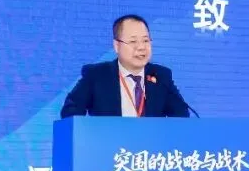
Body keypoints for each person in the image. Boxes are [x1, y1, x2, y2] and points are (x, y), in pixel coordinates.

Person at [60, 14, 191, 118]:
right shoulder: (97, 75)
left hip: (151, 144)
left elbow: (181, 116)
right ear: (117, 46)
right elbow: (70, 111)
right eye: (133, 41)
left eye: (146, 40)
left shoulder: (161, 76)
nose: (141, 47)